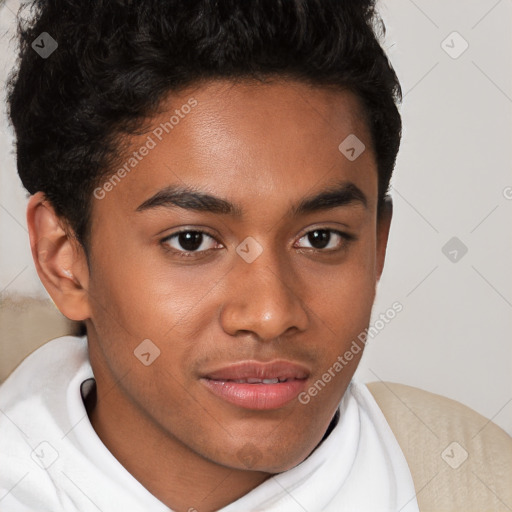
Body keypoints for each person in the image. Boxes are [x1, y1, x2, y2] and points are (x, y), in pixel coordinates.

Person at [0, 1, 508, 511]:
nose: (270, 315)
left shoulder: (478, 481)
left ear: (377, 246)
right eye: (192, 241)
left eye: (320, 238)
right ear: (64, 259)